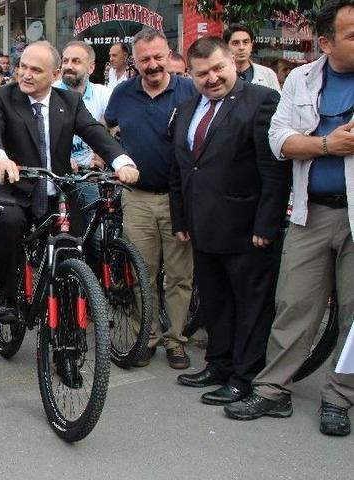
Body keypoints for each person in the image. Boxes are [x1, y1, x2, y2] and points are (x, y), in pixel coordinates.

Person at [225, 0, 354, 437]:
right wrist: (327, 145)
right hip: (309, 212)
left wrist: (313, 142)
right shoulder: (301, 79)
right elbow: (279, 139)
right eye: (353, 34)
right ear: (326, 42)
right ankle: (273, 389)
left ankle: (339, 396)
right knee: (294, 304)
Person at [0, 41, 138, 322]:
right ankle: (7, 295)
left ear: (54, 75)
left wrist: (122, 162)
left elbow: (95, 132)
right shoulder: (2, 97)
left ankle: (68, 315)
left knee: (73, 243)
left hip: (57, 190)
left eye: (35, 70)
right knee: (11, 224)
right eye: (22, 67)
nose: (26, 74)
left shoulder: (69, 102)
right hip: (14, 190)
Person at [170, 37, 290, 406]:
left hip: (247, 230)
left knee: (251, 308)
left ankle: (245, 377)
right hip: (203, 227)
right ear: (190, 75)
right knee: (216, 302)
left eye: (218, 68)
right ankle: (219, 364)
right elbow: (181, 168)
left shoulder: (262, 101)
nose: (212, 78)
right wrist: (181, 217)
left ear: (233, 62)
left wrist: (266, 225)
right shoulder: (187, 108)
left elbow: (274, 171)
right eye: (202, 73)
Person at [104, 28, 198, 369]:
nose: (153, 64)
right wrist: (113, 156)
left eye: (159, 57)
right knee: (142, 273)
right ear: (135, 61)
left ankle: (176, 340)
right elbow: (106, 127)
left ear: (169, 55)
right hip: (138, 198)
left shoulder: (190, 90)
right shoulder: (122, 93)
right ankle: (147, 337)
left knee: (179, 275)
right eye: (145, 59)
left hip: (178, 199)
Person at [53, 41, 112, 236]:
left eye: (76, 61)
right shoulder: (50, 92)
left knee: (94, 234)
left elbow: (113, 125)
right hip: (54, 174)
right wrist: (62, 158)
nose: (68, 66)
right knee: (58, 233)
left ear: (91, 67)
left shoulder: (103, 94)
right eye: (65, 61)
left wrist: (100, 156)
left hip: (88, 175)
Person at [224, 23, 281, 91]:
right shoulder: (220, 76)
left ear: (251, 45)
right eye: (236, 43)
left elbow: (277, 97)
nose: (241, 47)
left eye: (245, 42)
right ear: (226, 47)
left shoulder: (268, 74)